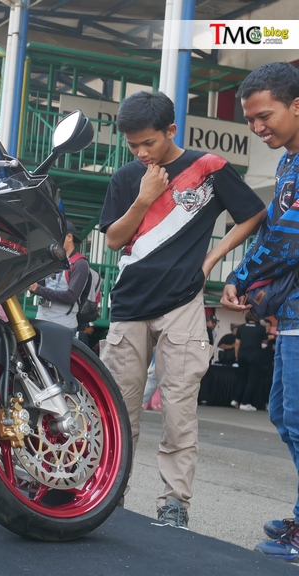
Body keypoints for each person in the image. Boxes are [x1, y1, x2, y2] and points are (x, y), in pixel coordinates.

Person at [98, 90, 266, 530]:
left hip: (183, 303)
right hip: (129, 305)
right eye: (132, 145)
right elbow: (113, 240)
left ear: (171, 130)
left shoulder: (208, 167)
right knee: (118, 411)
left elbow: (253, 214)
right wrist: (143, 196)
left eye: (149, 142)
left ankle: (174, 502)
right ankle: (110, 492)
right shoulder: (126, 177)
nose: (140, 152)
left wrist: (210, 262)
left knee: (178, 410)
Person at [219, 62, 299, 562]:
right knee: (283, 415)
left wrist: (241, 276)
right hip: (290, 315)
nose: (256, 127)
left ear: (297, 105)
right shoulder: (289, 162)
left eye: (264, 116)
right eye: (249, 119)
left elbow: (289, 236)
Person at [29, 220, 89, 330]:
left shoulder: (80, 263)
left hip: (64, 325)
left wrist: (38, 289)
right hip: (42, 318)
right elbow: (38, 284)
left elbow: (70, 296)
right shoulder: (51, 259)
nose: (53, 240)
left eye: (57, 236)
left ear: (69, 237)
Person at [232, 311, 267, 411]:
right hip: (255, 356)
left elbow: (237, 343)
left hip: (242, 354)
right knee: (251, 379)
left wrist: (236, 356)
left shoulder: (241, 327)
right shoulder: (261, 328)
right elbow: (265, 341)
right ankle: (245, 402)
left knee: (241, 378)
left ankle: (235, 399)